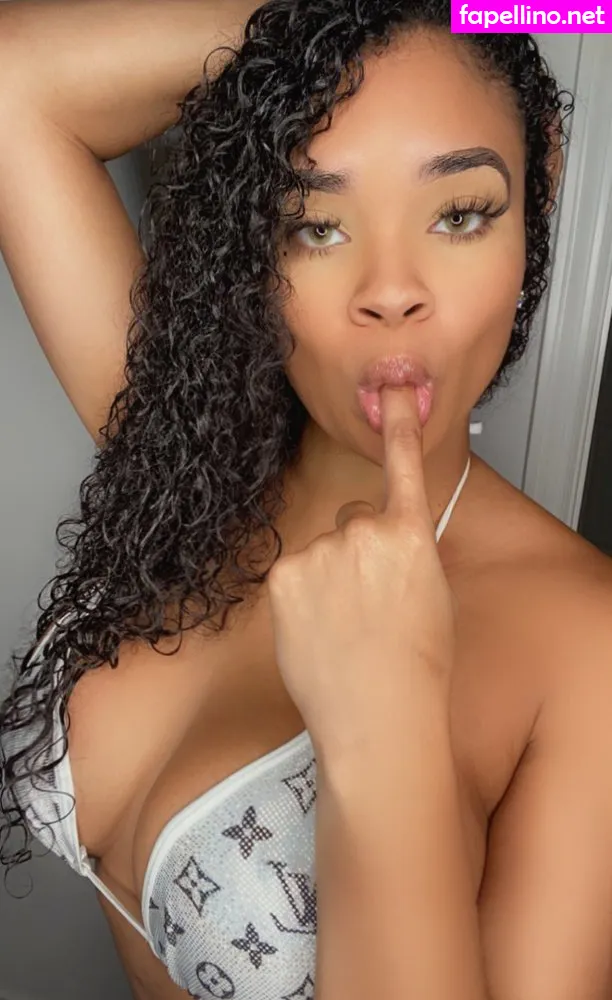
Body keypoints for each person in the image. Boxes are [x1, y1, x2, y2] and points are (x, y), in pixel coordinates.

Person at [1, 0, 612, 997]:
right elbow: (12, 80)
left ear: (538, 186)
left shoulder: (590, 648)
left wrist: (387, 731)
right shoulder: (190, 449)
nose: (390, 290)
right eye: (315, 225)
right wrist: (386, 12)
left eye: (460, 213)